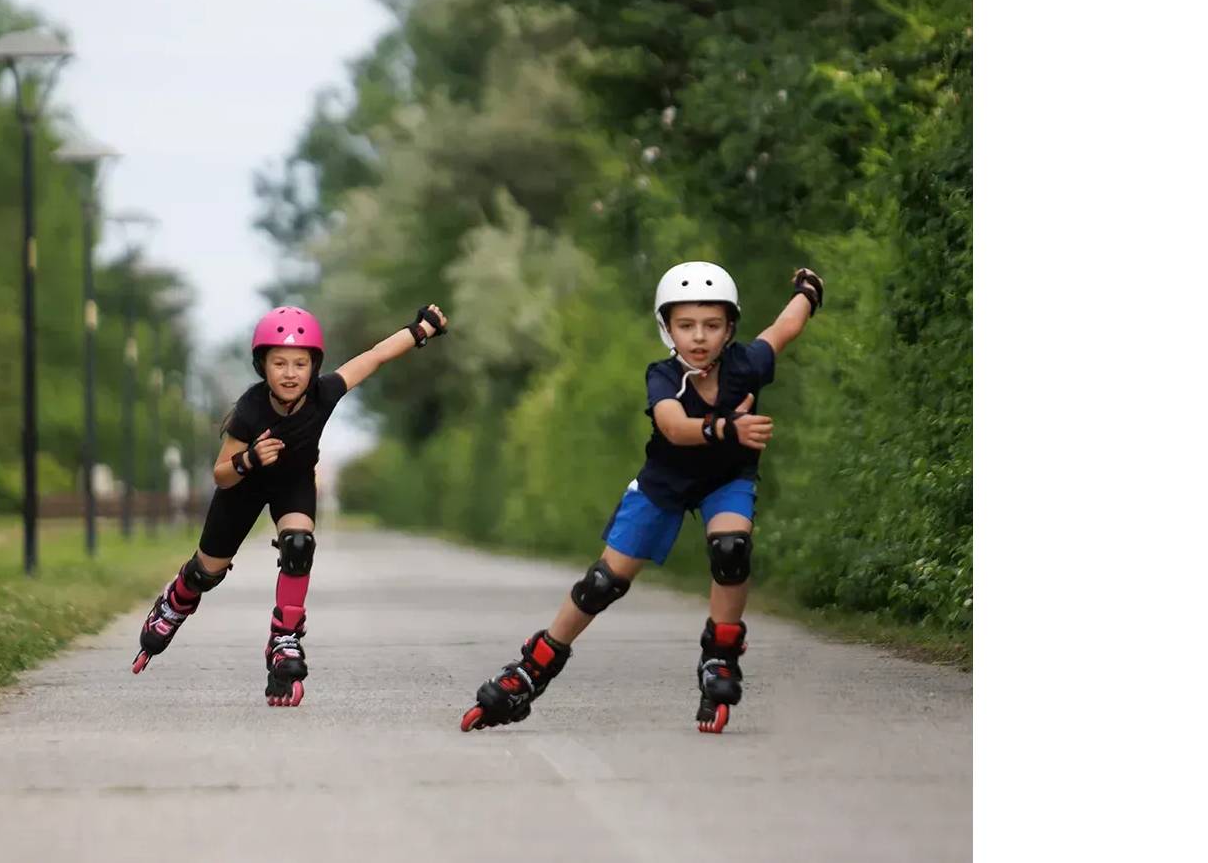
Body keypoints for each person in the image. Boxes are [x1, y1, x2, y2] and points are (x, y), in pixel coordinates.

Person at [460, 261, 823, 733]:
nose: (699, 337)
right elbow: (673, 426)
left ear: (730, 327)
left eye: (712, 325)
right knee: (602, 583)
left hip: (725, 480)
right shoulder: (664, 375)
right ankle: (533, 667)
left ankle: (721, 655)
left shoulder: (746, 365)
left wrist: (808, 292)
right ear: (667, 328)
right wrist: (724, 426)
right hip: (662, 485)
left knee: (731, 550)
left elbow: (784, 328)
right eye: (686, 325)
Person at [131, 303, 450, 708]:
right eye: (278, 363)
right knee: (207, 573)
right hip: (242, 487)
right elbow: (220, 474)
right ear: (262, 366)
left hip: (293, 483)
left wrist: (420, 329)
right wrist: (248, 459)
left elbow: (373, 357)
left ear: (314, 366)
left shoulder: (325, 393)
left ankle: (284, 637)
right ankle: (175, 602)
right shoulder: (250, 410)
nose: (289, 373)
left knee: (299, 544)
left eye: (300, 363)